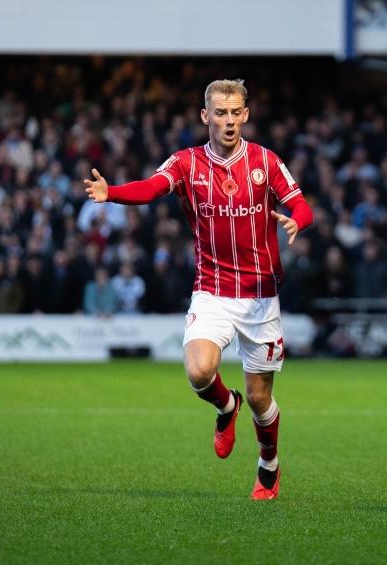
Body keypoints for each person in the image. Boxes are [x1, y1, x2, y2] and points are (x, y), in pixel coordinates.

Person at [84, 79, 313, 500]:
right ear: (205, 116)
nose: (228, 121)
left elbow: (300, 203)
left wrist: (300, 219)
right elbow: (152, 188)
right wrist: (111, 193)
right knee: (198, 371)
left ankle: (269, 463)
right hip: (212, 290)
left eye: (235, 113)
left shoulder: (265, 160)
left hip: (261, 297)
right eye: (220, 113)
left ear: (245, 115)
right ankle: (227, 406)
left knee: (262, 401)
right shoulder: (187, 163)